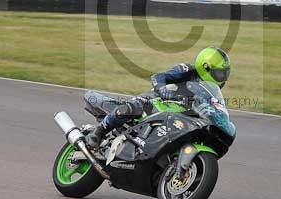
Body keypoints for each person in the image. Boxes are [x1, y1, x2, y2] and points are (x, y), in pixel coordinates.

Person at [85, 46, 231, 148]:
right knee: (132, 107)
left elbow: (216, 107)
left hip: (181, 115)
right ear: (205, 67)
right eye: (219, 73)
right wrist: (162, 88)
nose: (222, 77)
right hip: (158, 101)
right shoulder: (186, 70)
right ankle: (99, 131)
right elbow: (158, 77)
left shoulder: (210, 91)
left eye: (225, 74)